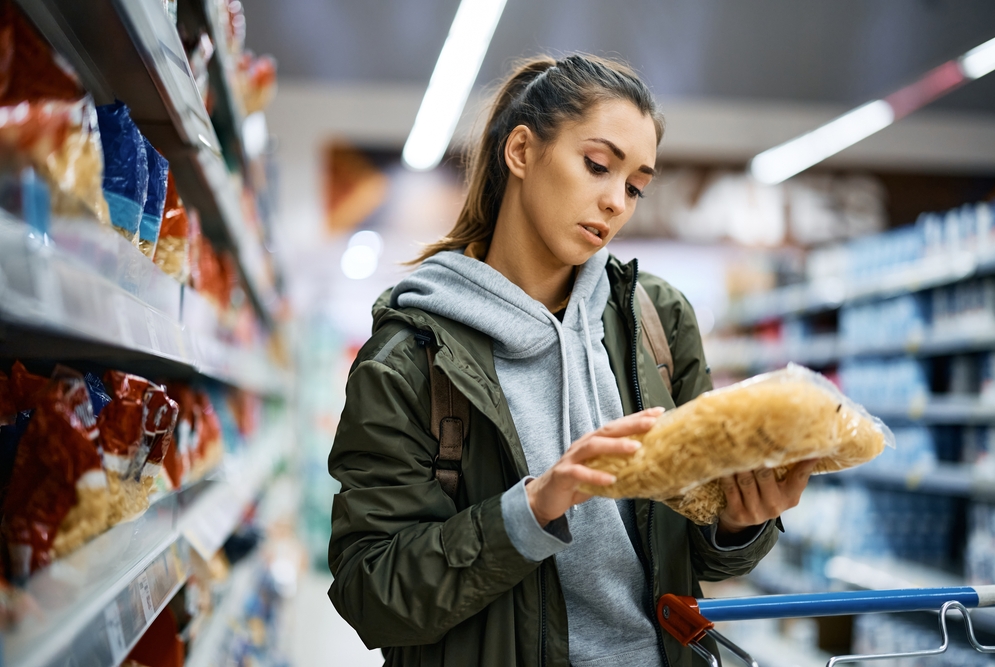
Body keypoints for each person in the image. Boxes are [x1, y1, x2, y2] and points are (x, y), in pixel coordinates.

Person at [328, 53, 816, 667]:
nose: (616, 201)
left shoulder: (657, 321)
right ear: (522, 152)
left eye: (635, 185)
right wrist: (531, 510)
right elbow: (369, 591)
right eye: (597, 166)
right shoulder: (408, 356)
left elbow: (702, 550)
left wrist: (740, 523)